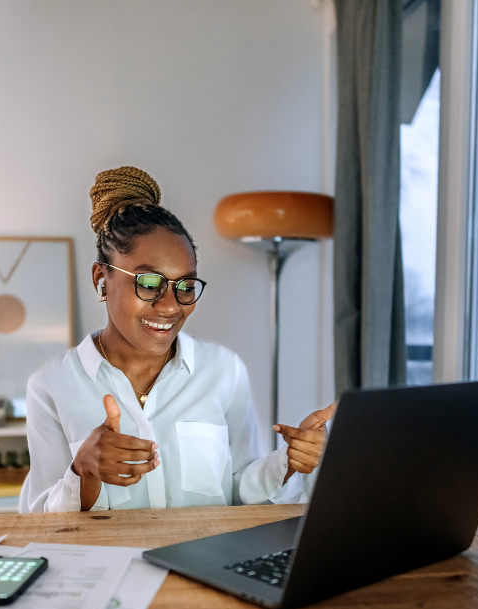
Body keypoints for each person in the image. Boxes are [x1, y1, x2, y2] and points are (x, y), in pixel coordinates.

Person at [20, 166, 335, 513]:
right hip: (108, 565)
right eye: (149, 283)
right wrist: (84, 472)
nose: (170, 306)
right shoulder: (50, 385)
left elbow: (239, 487)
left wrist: (290, 463)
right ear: (102, 279)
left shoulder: (224, 371)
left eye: (185, 286)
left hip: (203, 564)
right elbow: (38, 518)